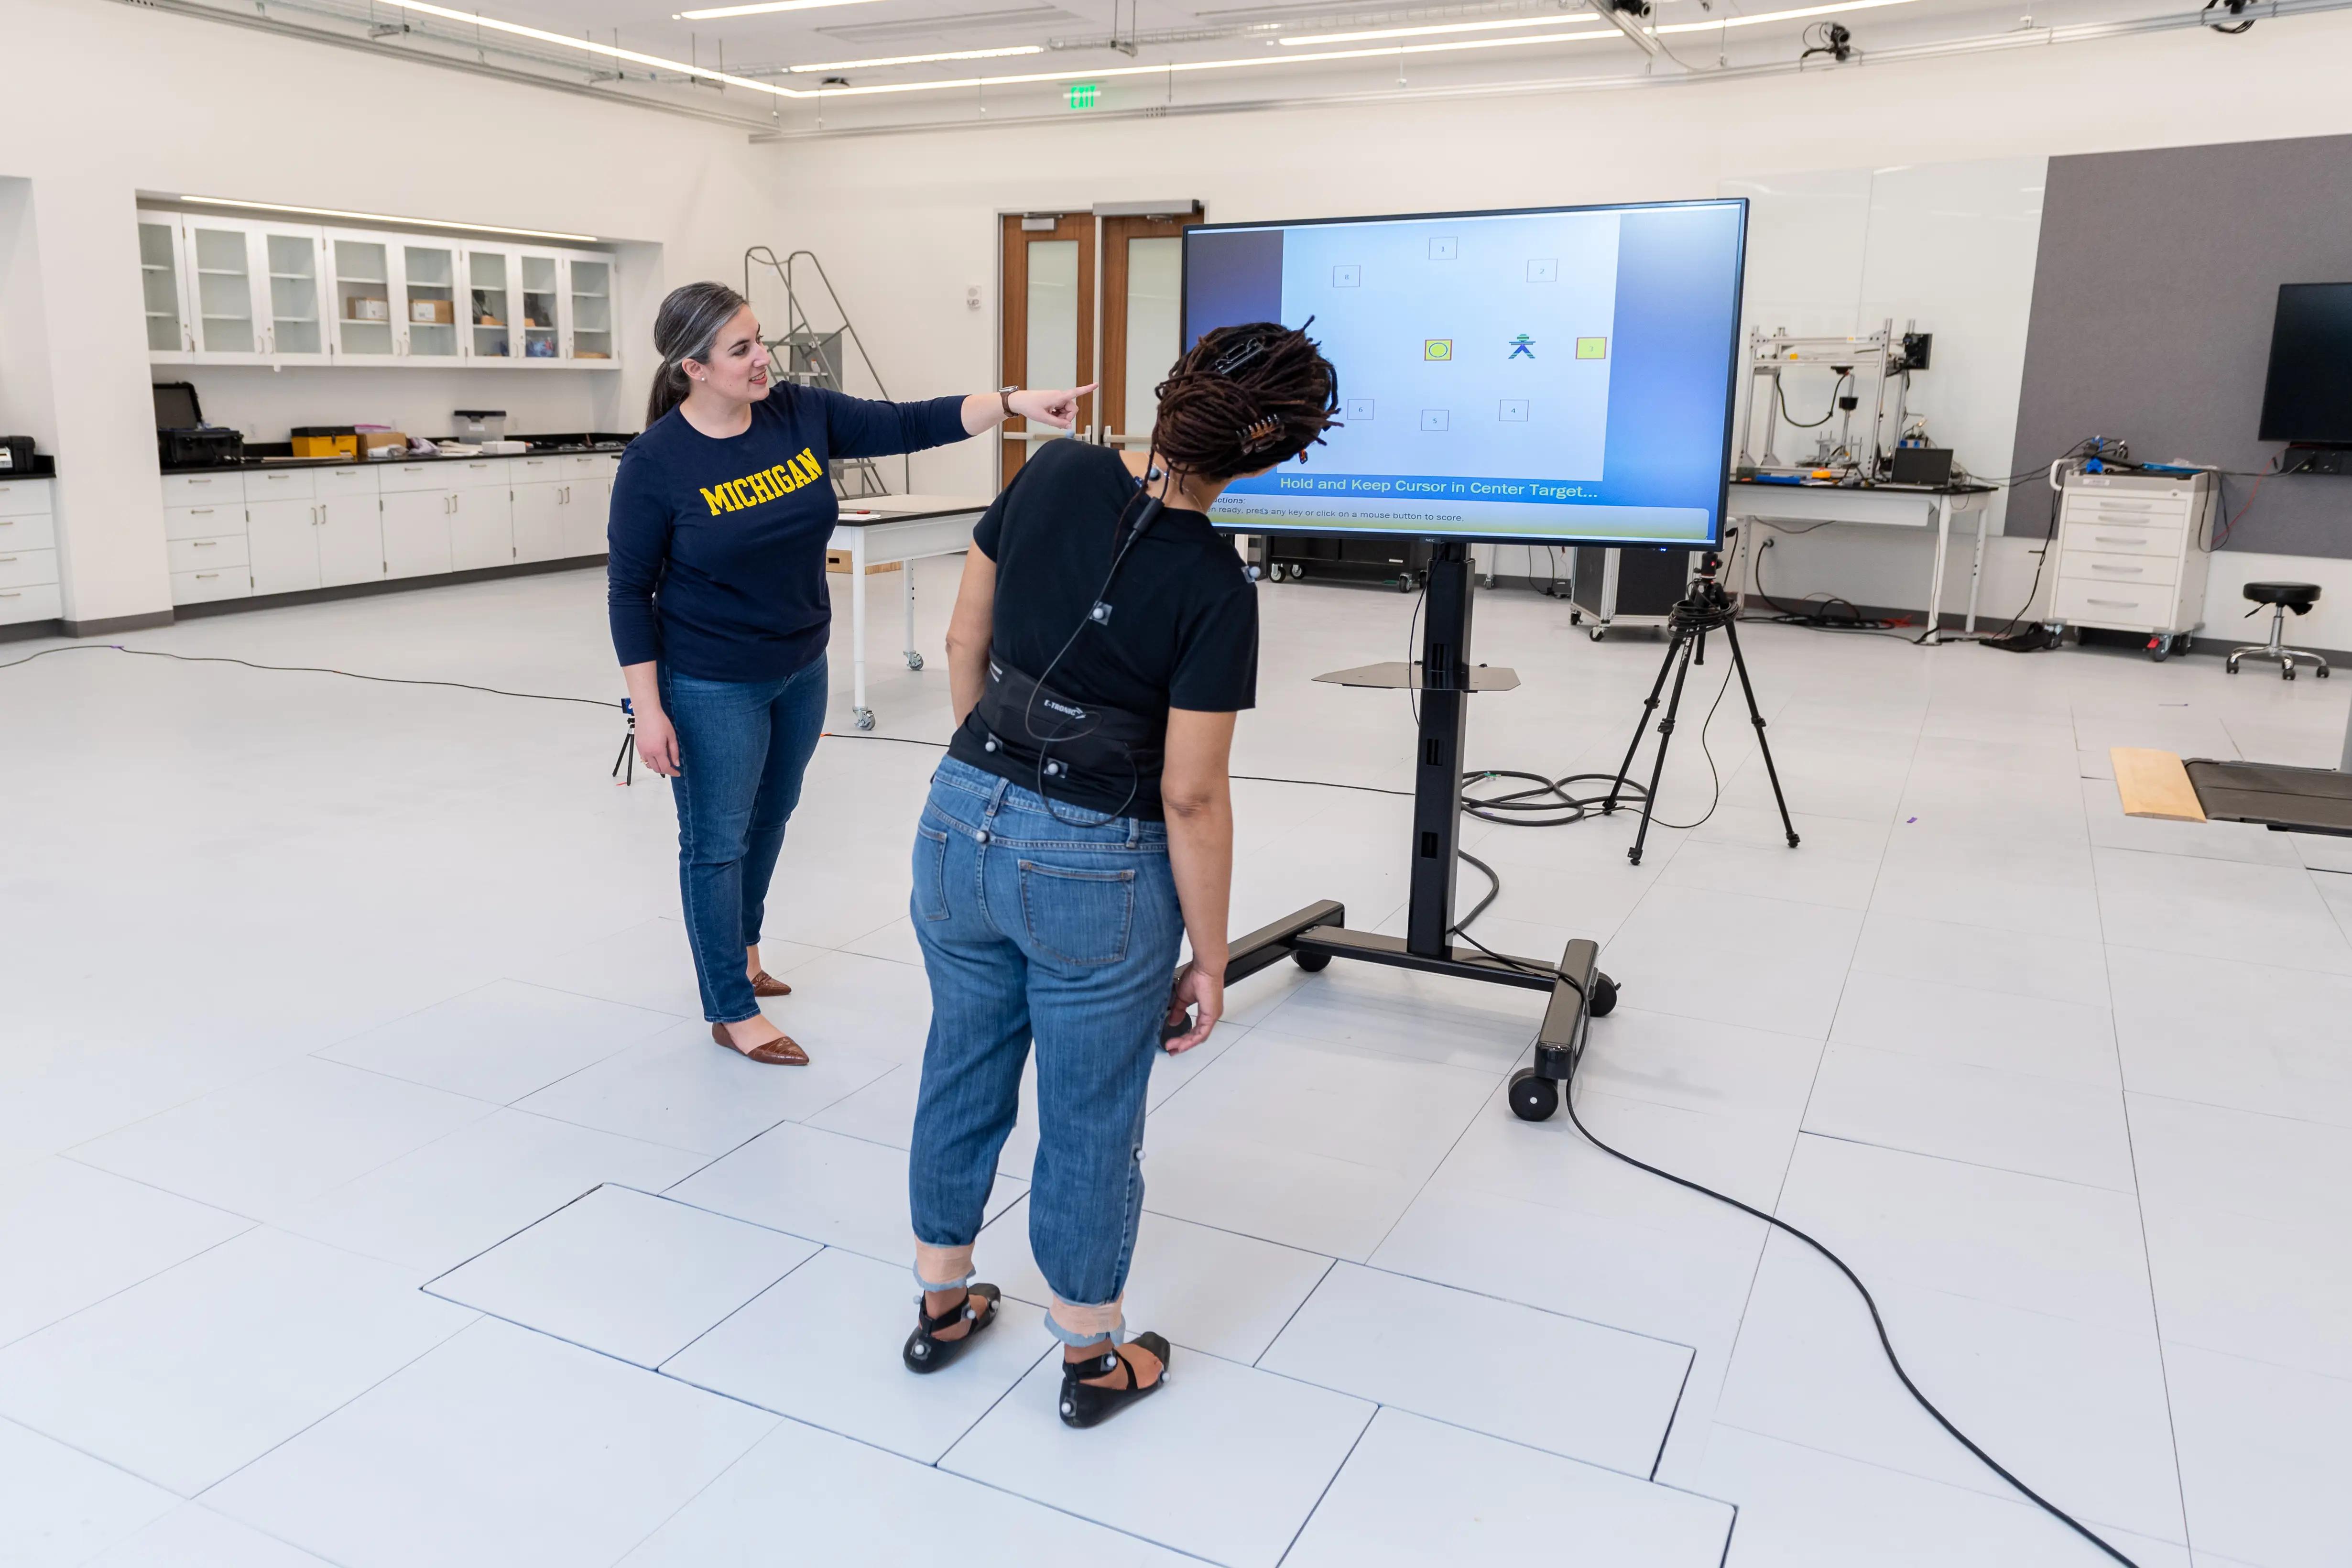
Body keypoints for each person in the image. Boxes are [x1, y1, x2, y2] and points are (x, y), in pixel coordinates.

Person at [897, 322, 1340, 1427]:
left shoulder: (1053, 469)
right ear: (1268, 457)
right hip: (1097, 865)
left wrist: (995, 780)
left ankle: (943, 1301)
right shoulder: (1216, 588)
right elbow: (1190, 796)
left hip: (956, 819)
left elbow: (965, 641)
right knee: (1091, 1113)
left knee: (961, 1059)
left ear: (1170, 393)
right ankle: (1091, 1356)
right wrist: (1213, 955)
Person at [608, 280, 1089, 1066]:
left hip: (800, 664)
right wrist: (648, 708)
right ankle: (729, 1006)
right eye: (742, 349)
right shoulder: (656, 463)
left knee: (773, 815)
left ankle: (746, 952)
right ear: (693, 368)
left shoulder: (800, 411)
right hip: (710, 681)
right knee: (716, 842)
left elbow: (910, 424)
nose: (763, 358)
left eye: (759, 339)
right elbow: (629, 591)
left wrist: (1011, 401)